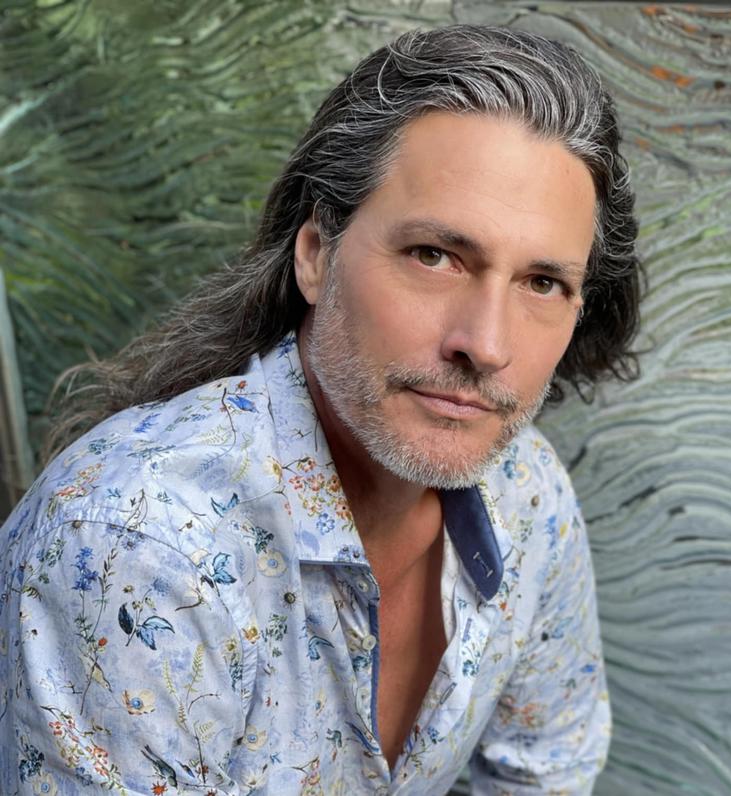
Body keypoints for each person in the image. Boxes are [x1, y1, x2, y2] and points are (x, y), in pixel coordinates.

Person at [0, 24, 640, 796]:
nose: (487, 345)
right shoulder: (137, 549)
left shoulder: (529, 496)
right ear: (315, 254)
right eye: (435, 255)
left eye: (542, 283)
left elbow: (542, 774)